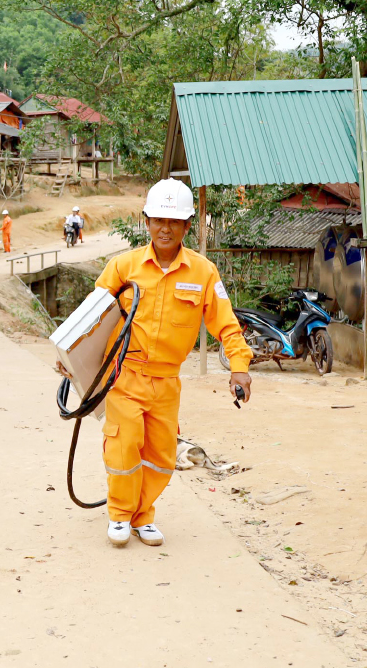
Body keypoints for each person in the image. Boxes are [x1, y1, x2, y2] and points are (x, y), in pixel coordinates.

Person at [91, 179, 252, 548]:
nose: (165, 228)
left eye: (174, 221)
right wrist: (71, 359)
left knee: (160, 457)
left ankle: (142, 516)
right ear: (146, 221)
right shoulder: (124, 266)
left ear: (187, 226)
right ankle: (120, 514)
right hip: (124, 376)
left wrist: (240, 366)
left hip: (166, 383)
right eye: (159, 220)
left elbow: (226, 323)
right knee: (123, 444)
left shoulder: (203, 272)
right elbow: (92, 318)